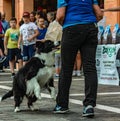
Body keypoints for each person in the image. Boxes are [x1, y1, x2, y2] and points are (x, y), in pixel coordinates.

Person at [53, 0, 103, 118]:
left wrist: (67, 25)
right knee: (90, 67)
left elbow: (60, 15)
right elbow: (99, 15)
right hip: (91, 27)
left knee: (66, 68)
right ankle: (89, 105)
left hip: (71, 27)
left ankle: (62, 105)